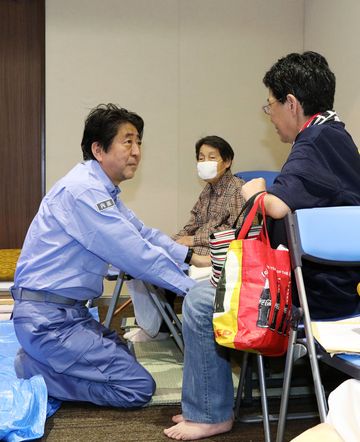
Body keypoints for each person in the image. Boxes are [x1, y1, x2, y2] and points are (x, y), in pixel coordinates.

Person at [164, 51, 360, 440]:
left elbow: (278, 205)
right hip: (344, 291)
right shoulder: (337, 136)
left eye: (270, 105)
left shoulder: (314, 142)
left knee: (203, 301)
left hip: (317, 297)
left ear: (292, 102)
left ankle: (210, 413)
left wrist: (257, 189)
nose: (268, 114)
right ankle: (210, 402)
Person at [11, 103, 209, 409]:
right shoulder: (83, 192)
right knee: (136, 388)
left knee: (125, 353)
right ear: (98, 150)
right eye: (127, 141)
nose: (136, 151)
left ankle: (44, 359)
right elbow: (135, 254)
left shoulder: (101, 190)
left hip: (68, 314)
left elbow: (144, 234)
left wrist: (192, 257)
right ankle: (35, 369)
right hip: (48, 321)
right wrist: (195, 290)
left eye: (139, 142)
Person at [125, 135, 246, 343]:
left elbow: (237, 232)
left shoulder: (237, 189)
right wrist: (174, 240)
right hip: (198, 249)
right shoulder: (208, 190)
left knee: (156, 266)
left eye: (211, 157)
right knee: (144, 260)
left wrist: (192, 240)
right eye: (200, 158)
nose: (204, 162)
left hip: (217, 254)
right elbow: (193, 222)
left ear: (227, 162)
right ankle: (157, 326)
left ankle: (158, 328)